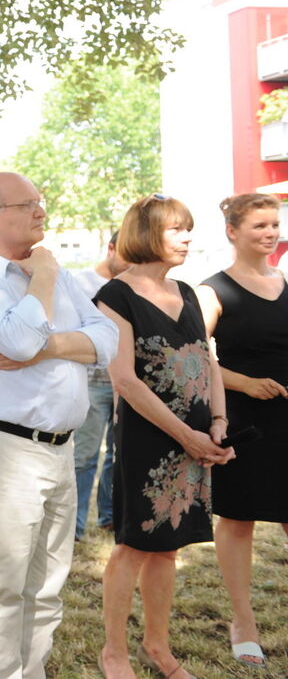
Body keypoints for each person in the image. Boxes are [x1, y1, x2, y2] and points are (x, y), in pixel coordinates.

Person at [0, 171, 117, 679]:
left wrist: (50, 343)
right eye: (29, 204)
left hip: (59, 449)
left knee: (45, 587)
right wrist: (41, 280)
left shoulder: (59, 274)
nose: (42, 211)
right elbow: (19, 343)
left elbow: (107, 340)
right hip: (4, 449)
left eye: (41, 202)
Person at [95, 194, 233, 679]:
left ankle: (159, 647)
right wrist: (187, 436)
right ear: (147, 233)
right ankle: (114, 652)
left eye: (187, 228)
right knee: (133, 545)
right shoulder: (115, 295)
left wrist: (217, 424)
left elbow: (208, 362)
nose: (188, 237)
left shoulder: (190, 293)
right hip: (149, 440)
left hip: (197, 438)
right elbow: (126, 380)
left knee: (168, 548)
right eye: (177, 229)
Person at [196, 192, 288, 671]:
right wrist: (245, 383)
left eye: (274, 224)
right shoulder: (213, 290)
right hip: (245, 422)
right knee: (239, 519)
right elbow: (197, 355)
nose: (270, 233)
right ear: (233, 232)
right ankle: (243, 622)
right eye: (259, 226)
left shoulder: (284, 280)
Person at [72, 232, 129, 540]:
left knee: (118, 455)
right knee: (84, 456)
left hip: (126, 383)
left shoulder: (134, 284)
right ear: (110, 249)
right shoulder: (80, 283)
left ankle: (109, 517)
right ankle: (75, 526)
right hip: (92, 383)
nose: (133, 263)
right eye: (127, 255)